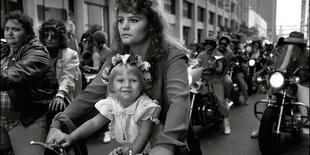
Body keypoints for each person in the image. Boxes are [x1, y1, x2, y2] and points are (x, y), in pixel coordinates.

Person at [46, 0, 200, 155]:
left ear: (152, 25)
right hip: (133, 145)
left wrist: (166, 145)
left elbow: (179, 101)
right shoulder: (117, 58)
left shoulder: (173, 56)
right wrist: (59, 123)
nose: (124, 26)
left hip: (170, 143)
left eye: (133, 20)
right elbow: (91, 93)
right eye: (121, 20)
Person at [55, 54, 161, 155]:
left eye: (133, 81)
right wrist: (71, 137)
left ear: (143, 84)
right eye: (120, 80)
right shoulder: (113, 103)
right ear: (112, 86)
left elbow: (143, 136)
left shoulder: (145, 107)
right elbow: (94, 123)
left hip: (151, 149)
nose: (127, 85)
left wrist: (129, 153)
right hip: (131, 148)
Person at [0, 10, 57, 155]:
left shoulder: (38, 53)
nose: (10, 33)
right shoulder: (4, 51)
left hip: (26, 120)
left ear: (28, 33)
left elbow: (14, 75)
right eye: (7, 29)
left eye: (16, 29)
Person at [251, 31, 310, 138]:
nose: (294, 45)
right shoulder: (283, 52)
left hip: (302, 82)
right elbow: (273, 63)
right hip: (285, 80)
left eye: (297, 43)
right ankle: (261, 128)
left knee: (306, 107)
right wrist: (264, 71)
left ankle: (306, 126)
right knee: (268, 101)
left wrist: (305, 73)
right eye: (291, 42)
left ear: (302, 45)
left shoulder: (307, 54)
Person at [39, 18, 82, 111]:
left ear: (61, 37)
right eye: (46, 35)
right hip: (43, 97)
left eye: (53, 36)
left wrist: (60, 95)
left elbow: (68, 78)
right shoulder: (39, 52)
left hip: (63, 97)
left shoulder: (70, 54)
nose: (49, 38)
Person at [196, 36, 231, 135]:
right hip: (201, 79)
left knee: (220, 100)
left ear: (214, 45)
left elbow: (220, 67)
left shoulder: (217, 55)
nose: (207, 45)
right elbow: (195, 64)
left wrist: (215, 69)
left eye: (210, 43)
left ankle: (226, 121)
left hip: (214, 79)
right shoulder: (201, 54)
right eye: (206, 43)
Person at [230, 33, 249, 104]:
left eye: (232, 45)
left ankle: (246, 98)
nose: (230, 46)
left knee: (242, 82)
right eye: (230, 44)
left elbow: (245, 58)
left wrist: (240, 57)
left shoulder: (239, 51)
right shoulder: (225, 52)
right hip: (227, 70)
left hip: (237, 70)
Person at [218, 35, 234, 105]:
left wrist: (222, 77)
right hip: (211, 73)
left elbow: (227, 67)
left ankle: (226, 99)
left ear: (227, 45)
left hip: (223, 73)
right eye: (221, 43)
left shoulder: (229, 53)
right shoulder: (213, 50)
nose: (222, 45)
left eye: (224, 44)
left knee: (228, 82)